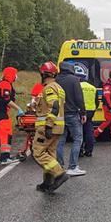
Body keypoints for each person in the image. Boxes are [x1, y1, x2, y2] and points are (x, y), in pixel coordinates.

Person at [33, 61, 69, 193]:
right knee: (49, 154)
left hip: (48, 127)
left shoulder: (49, 88)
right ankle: (48, 182)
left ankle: (59, 174)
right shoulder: (59, 88)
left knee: (38, 152)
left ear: (43, 73)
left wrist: (48, 125)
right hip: (58, 127)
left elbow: (54, 106)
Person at [55, 62, 87, 176]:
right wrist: (83, 113)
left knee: (60, 140)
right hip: (72, 114)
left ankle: (59, 166)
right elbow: (79, 98)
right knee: (78, 138)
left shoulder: (55, 80)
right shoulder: (74, 80)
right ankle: (72, 167)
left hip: (59, 115)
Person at [0, 66, 24, 164]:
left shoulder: (0, 83)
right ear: (11, 75)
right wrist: (18, 109)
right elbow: (6, 99)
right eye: (15, 74)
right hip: (0, 113)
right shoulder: (5, 84)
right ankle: (5, 157)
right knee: (6, 134)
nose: (16, 76)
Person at [77, 71, 98, 158]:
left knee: (79, 131)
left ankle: (80, 151)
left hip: (80, 111)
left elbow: (76, 99)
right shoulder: (93, 88)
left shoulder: (78, 87)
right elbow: (97, 101)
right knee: (89, 131)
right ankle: (89, 151)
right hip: (90, 111)